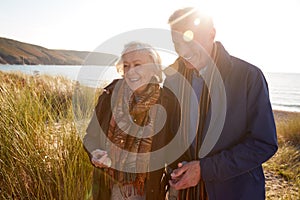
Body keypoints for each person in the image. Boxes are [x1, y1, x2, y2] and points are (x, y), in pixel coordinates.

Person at [164, 7, 278, 200]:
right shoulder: (172, 79)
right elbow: (166, 136)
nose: (184, 51)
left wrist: (204, 170)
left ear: (212, 34)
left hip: (235, 193)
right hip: (183, 194)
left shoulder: (248, 77)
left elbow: (263, 143)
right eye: (177, 44)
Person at [83, 41, 177, 200]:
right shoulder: (109, 96)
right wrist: (95, 153)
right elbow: (90, 138)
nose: (131, 71)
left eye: (137, 64)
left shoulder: (167, 102)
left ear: (153, 67)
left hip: (147, 191)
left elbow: (174, 152)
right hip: (108, 188)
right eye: (126, 65)